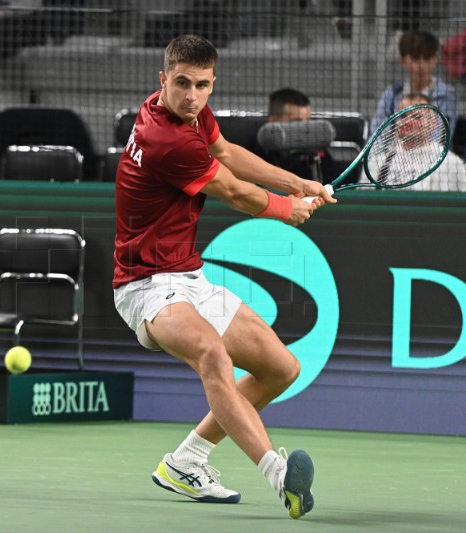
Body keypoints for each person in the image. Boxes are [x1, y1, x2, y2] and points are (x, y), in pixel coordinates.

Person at [113, 34, 333, 518]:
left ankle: (186, 461)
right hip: (144, 286)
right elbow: (233, 191)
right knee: (212, 352)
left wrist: (297, 182)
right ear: (162, 79)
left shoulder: (189, 114)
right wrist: (286, 209)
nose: (192, 96)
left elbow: (229, 153)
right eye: (182, 84)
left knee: (281, 368)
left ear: (213, 83)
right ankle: (279, 475)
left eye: (203, 86)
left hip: (187, 276)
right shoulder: (164, 137)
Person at [363, 93, 466, 192]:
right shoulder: (377, 162)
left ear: (433, 122)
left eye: (416, 117)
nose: (407, 121)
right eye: (403, 116)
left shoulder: (451, 163)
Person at [370, 30, 457, 137]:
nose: (422, 65)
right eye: (415, 59)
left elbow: (441, 136)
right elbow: (376, 133)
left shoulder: (446, 95)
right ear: (402, 61)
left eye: (427, 58)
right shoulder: (391, 93)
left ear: (435, 59)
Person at [254, 87, 337, 184]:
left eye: (308, 122)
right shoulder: (254, 154)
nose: (306, 129)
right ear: (273, 122)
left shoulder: (319, 156)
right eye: (297, 123)